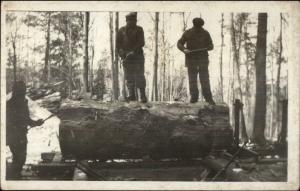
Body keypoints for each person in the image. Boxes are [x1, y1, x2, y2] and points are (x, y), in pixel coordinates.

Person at [6, 81, 44, 179]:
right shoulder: (10, 105)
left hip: (21, 135)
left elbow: (26, 119)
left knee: (21, 158)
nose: (24, 92)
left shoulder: (23, 103)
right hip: (14, 135)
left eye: (24, 90)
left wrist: (36, 123)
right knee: (19, 158)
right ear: (17, 91)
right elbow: (11, 121)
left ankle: (15, 176)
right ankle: (14, 178)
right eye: (22, 90)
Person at [177, 17, 216, 105]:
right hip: (191, 59)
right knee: (192, 79)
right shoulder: (188, 33)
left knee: (205, 79)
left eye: (200, 26)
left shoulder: (205, 33)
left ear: (202, 25)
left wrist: (209, 47)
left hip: (203, 59)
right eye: (197, 26)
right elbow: (179, 43)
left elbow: (211, 45)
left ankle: (208, 98)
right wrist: (184, 49)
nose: (198, 28)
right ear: (194, 24)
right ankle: (194, 97)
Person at [116, 12, 147, 103]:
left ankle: (142, 96)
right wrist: (121, 52)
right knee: (129, 77)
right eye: (130, 21)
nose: (133, 22)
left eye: (134, 21)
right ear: (127, 21)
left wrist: (133, 51)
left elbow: (142, 42)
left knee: (140, 76)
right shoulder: (121, 30)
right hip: (126, 58)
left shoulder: (139, 29)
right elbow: (118, 44)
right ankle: (132, 95)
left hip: (138, 57)